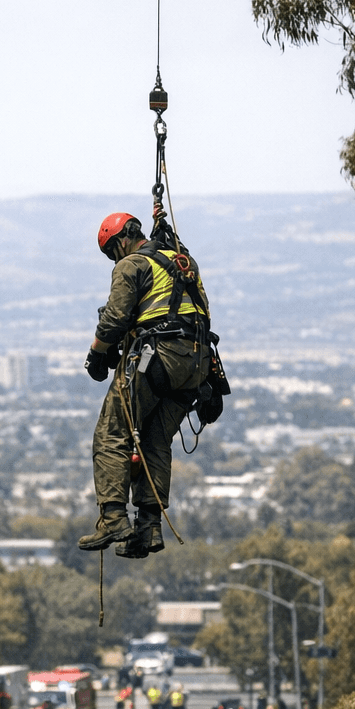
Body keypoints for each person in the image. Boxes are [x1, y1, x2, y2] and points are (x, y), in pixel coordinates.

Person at [78, 206, 212, 557]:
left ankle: (112, 518)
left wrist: (96, 354)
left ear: (122, 240)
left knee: (111, 432)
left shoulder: (131, 265)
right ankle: (149, 528)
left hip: (159, 359)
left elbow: (114, 319)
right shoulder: (183, 263)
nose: (113, 259)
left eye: (112, 251)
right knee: (154, 439)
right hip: (196, 366)